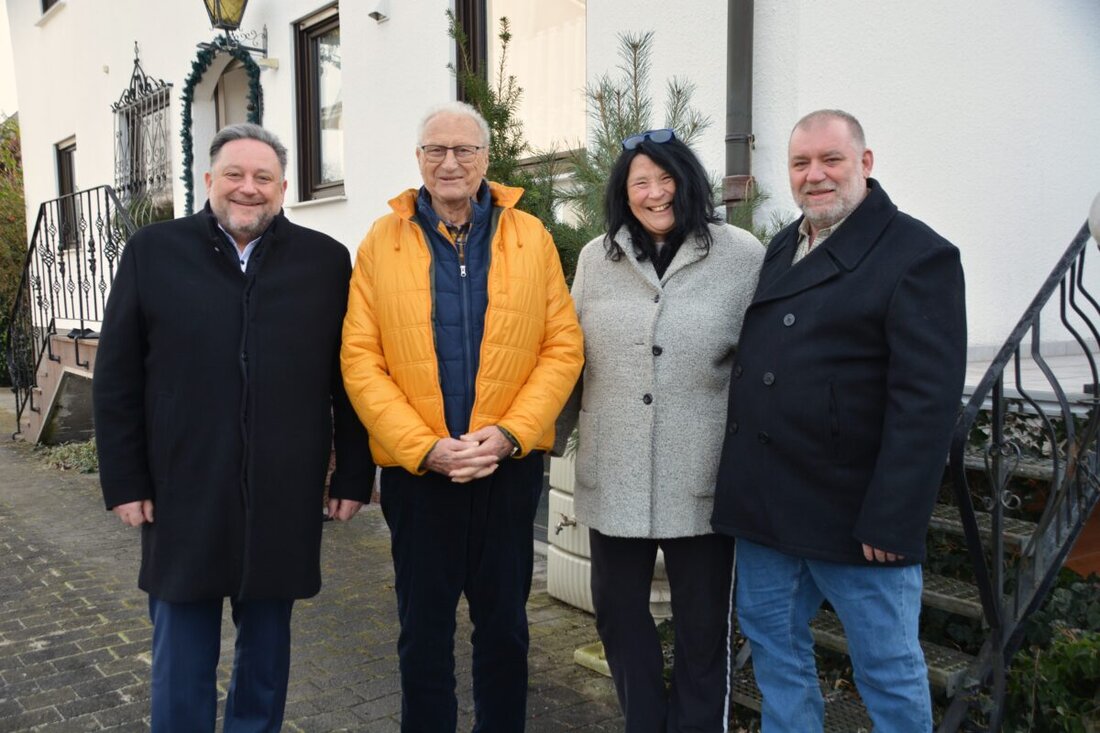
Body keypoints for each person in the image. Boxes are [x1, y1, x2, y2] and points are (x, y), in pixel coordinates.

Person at [92, 123, 374, 732]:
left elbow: (348, 377)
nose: (249, 189)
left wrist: (354, 471)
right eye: (235, 175)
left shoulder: (325, 261)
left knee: (267, 658)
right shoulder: (153, 251)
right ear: (209, 180)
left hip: (284, 490)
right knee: (181, 661)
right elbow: (116, 380)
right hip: (182, 488)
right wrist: (123, 479)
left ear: (283, 187)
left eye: (263, 177)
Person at [712, 109, 967, 731]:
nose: (815, 176)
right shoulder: (784, 244)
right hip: (769, 507)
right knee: (775, 657)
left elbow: (925, 405)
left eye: (831, 160)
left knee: (887, 670)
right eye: (801, 163)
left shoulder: (918, 254)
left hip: (858, 518)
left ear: (866, 164)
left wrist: (894, 515)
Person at [340, 101, 584, 732]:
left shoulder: (530, 237)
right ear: (418, 158)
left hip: (505, 472)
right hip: (421, 477)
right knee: (422, 632)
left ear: (486, 157)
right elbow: (360, 358)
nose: (449, 163)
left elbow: (563, 346)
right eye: (435, 150)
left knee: (505, 628)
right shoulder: (380, 241)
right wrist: (423, 447)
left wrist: (508, 435)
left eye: (464, 150)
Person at [555, 129, 763, 732]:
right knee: (618, 616)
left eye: (665, 178)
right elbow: (570, 354)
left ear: (687, 181)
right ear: (624, 192)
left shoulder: (741, 254)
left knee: (702, 629)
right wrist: (541, 439)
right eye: (639, 182)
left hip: (702, 473)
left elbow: (763, 361)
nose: (654, 193)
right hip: (614, 466)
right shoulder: (598, 257)